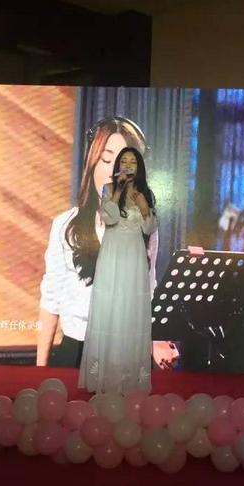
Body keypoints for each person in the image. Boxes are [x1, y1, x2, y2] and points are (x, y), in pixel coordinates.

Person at [36, 117, 159, 368]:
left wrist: (158, 344)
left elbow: (148, 293)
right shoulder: (66, 225)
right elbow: (50, 300)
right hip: (77, 351)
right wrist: (39, 369)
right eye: (106, 160)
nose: (114, 171)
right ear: (93, 163)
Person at [78, 147, 157, 393]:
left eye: (133, 161)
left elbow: (149, 228)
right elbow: (109, 219)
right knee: (111, 309)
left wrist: (144, 207)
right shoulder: (108, 189)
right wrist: (118, 191)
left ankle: (128, 379)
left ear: (139, 167)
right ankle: (104, 378)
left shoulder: (146, 193)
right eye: (124, 161)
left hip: (134, 258)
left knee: (130, 312)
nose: (128, 165)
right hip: (112, 256)